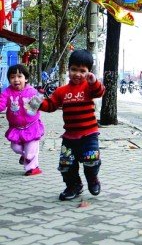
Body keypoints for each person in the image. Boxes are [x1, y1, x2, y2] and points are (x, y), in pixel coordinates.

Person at [30, 49, 106, 201]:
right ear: (68, 69)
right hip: (69, 137)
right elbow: (51, 106)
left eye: (82, 71)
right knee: (66, 165)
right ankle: (73, 186)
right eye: (74, 70)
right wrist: (37, 103)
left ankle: (92, 180)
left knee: (91, 161)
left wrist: (94, 82)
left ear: (88, 72)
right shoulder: (61, 91)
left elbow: (100, 92)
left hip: (89, 135)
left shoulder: (90, 87)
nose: (77, 74)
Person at [0, 64, 44, 176]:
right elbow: (1, 105)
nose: (16, 79)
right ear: (9, 79)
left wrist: (38, 97)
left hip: (31, 127)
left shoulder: (32, 91)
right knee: (15, 147)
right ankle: (25, 156)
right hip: (16, 128)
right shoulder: (6, 92)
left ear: (26, 78)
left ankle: (33, 168)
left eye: (19, 76)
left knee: (29, 155)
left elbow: (33, 110)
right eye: (12, 77)